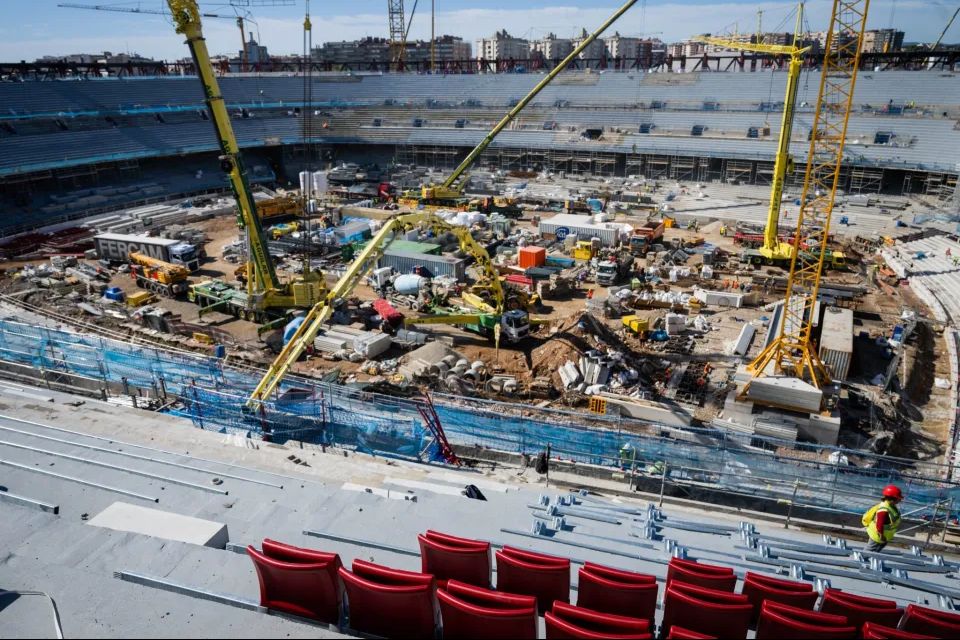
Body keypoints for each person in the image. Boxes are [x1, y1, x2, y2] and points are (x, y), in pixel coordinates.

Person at [862, 485, 903, 552]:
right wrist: (881, 535)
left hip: (885, 536)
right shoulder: (884, 509)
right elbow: (879, 524)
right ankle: (862, 558)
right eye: (899, 498)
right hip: (878, 535)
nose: (900, 500)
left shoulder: (891, 506)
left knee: (877, 549)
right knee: (870, 549)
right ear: (892, 498)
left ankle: (870, 559)